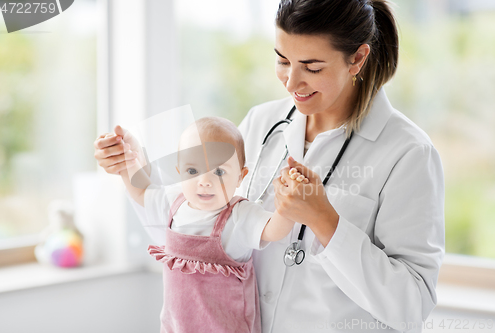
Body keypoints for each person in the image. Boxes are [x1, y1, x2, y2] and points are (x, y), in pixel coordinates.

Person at [94, 0, 445, 332]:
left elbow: (411, 305)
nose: (292, 82)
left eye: (312, 67)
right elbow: (195, 232)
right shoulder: (262, 123)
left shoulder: (408, 154)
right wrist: (133, 167)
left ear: (357, 59)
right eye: (282, 60)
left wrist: (326, 222)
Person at [103, 116, 306, 333]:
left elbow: (273, 230)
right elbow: (142, 190)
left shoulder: (238, 216)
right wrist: (127, 162)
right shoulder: (173, 202)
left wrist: (290, 203)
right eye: (193, 171)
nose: (205, 181)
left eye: (219, 171)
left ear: (240, 176)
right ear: (179, 171)